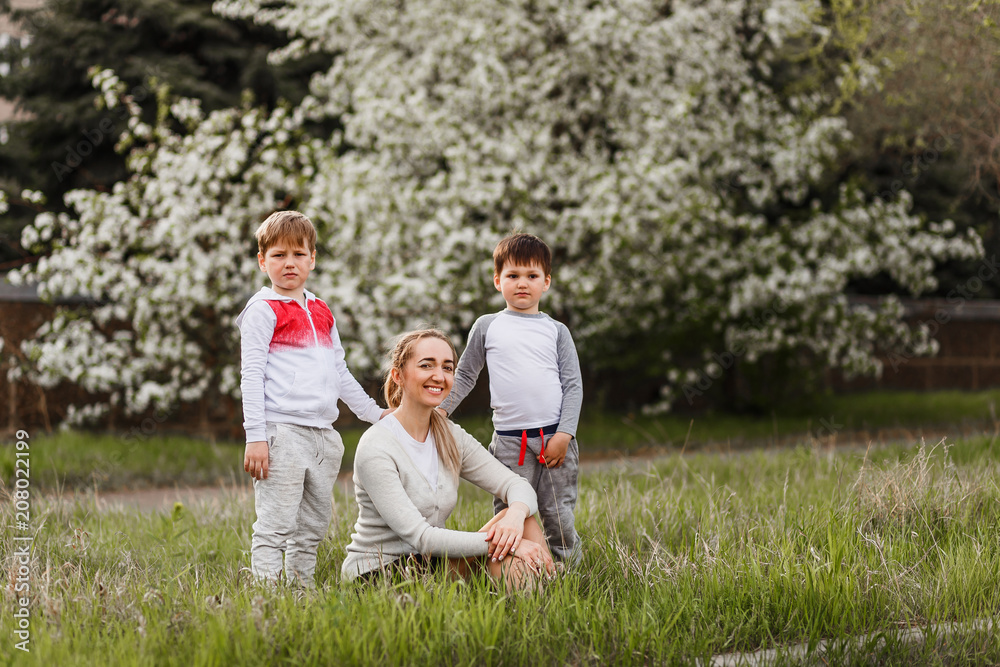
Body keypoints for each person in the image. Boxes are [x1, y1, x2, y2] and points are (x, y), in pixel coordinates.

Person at [237, 209, 390, 586]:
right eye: (278, 255)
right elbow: (251, 376)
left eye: (299, 254)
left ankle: (300, 590)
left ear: (313, 259)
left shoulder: (321, 310)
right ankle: (267, 601)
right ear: (262, 261)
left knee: (312, 527)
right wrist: (256, 436)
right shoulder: (262, 311)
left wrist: (375, 414)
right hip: (281, 432)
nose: (289, 263)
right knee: (275, 525)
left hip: (324, 435)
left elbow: (339, 371)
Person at [342, 329, 554, 586]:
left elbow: (516, 485)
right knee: (508, 548)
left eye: (447, 367)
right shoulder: (377, 445)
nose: (439, 376)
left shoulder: (448, 435)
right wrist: (509, 542)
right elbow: (423, 538)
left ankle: (539, 607)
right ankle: (537, 600)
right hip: (381, 574)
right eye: (426, 365)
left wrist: (515, 516)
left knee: (522, 521)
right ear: (398, 375)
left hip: (431, 562)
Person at [437, 232, 583, 565]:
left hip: (553, 439)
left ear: (546, 282)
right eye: (512, 275)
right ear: (497, 280)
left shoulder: (556, 330)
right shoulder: (488, 326)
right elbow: (465, 375)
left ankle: (565, 569)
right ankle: (509, 566)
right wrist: (442, 411)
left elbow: (573, 385)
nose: (522, 283)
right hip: (509, 441)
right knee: (509, 510)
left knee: (556, 510)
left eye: (532, 276)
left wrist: (565, 433)